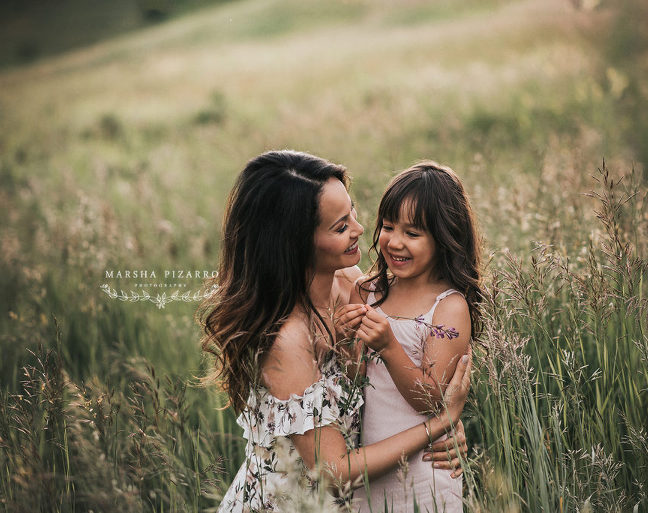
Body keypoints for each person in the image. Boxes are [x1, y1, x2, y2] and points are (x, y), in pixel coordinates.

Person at [199, 151, 472, 512]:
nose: (361, 230)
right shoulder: (287, 341)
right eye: (341, 226)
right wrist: (437, 426)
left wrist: (442, 429)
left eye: (353, 214)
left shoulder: (353, 287)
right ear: (296, 242)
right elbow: (333, 472)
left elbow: (394, 375)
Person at [339, 162, 483, 513]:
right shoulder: (367, 290)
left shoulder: (447, 307)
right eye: (388, 227)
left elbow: (433, 400)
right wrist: (347, 342)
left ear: (445, 238)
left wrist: (389, 346)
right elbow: (354, 379)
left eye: (413, 234)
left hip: (425, 467)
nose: (395, 242)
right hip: (370, 464)